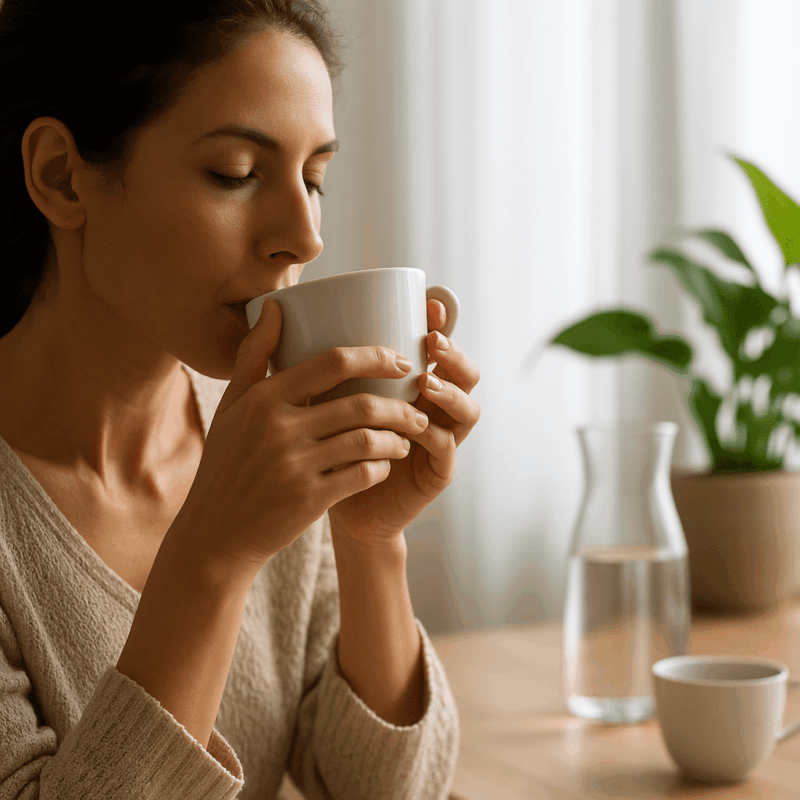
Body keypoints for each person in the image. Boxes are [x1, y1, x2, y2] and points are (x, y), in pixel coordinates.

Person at [0, 0, 481, 798]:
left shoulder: (269, 437)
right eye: (236, 173)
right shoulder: (252, 463)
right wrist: (213, 555)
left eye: (315, 178)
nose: (304, 233)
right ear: (61, 175)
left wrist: (368, 538)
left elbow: (385, 792)